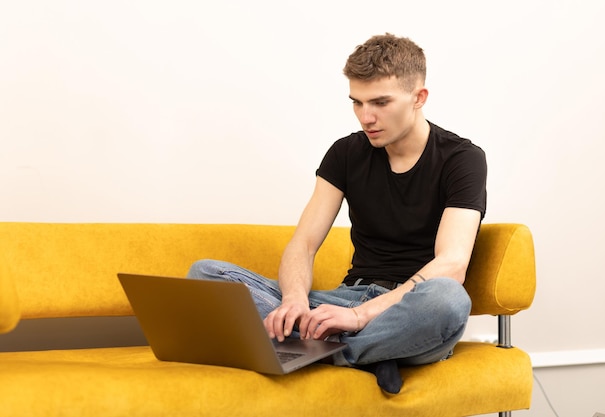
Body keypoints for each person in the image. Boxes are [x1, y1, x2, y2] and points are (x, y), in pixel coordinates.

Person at [187, 33, 487, 394]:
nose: (366, 117)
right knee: (205, 274)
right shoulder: (345, 153)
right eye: (357, 103)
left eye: (379, 102)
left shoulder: (462, 159)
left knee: (448, 300)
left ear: (419, 97)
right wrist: (295, 300)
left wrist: (359, 317)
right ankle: (370, 352)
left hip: (407, 309)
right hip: (344, 299)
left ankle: (326, 348)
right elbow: (304, 243)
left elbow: (452, 265)